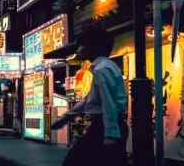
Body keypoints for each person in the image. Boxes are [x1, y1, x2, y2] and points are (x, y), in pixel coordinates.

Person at [51, 29, 129, 166]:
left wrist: (110, 134)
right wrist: (65, 118)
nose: (79, 49)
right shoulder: (104, 67)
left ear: (94, 48)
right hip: (105, 126)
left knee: (73, 161)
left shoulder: (101, 69)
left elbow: (108, 102)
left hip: (104, 127)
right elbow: (89, 99)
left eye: (82, 45)